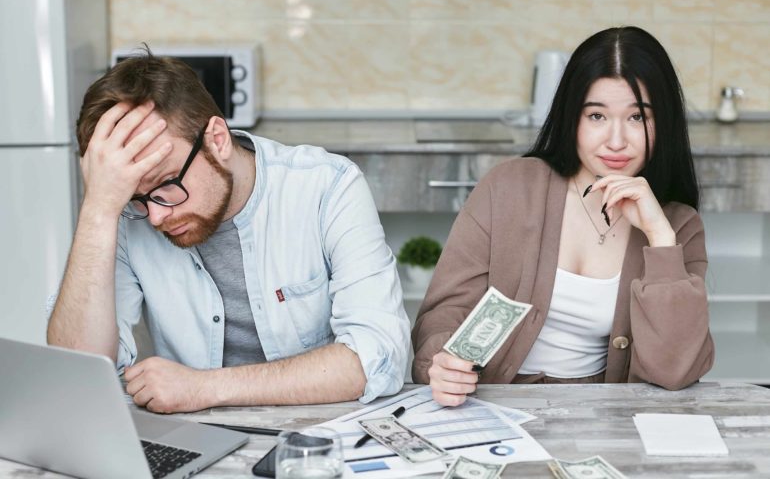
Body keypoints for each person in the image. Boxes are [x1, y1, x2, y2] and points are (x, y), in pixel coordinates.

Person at [47, 51, 410, 413]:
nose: (155, 217)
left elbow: (377, 355)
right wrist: (98, 207)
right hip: (194, 440)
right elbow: (76, 376)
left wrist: (204, 387)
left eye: (166, 185)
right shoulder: (127, 215)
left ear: (217, 140)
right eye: (137, 198)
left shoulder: (327, 186)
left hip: (319, 436)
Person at [411, 26, 713, 406]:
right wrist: (443, 360)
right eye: (597, 116)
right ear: (572, 118)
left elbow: (677, 372)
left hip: (604, 415)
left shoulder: (677, 225)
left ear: (663, 123)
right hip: (490, 403)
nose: (617, 140)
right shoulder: (508, 187)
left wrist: (660, 238)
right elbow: (445, 310)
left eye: (637, 118)